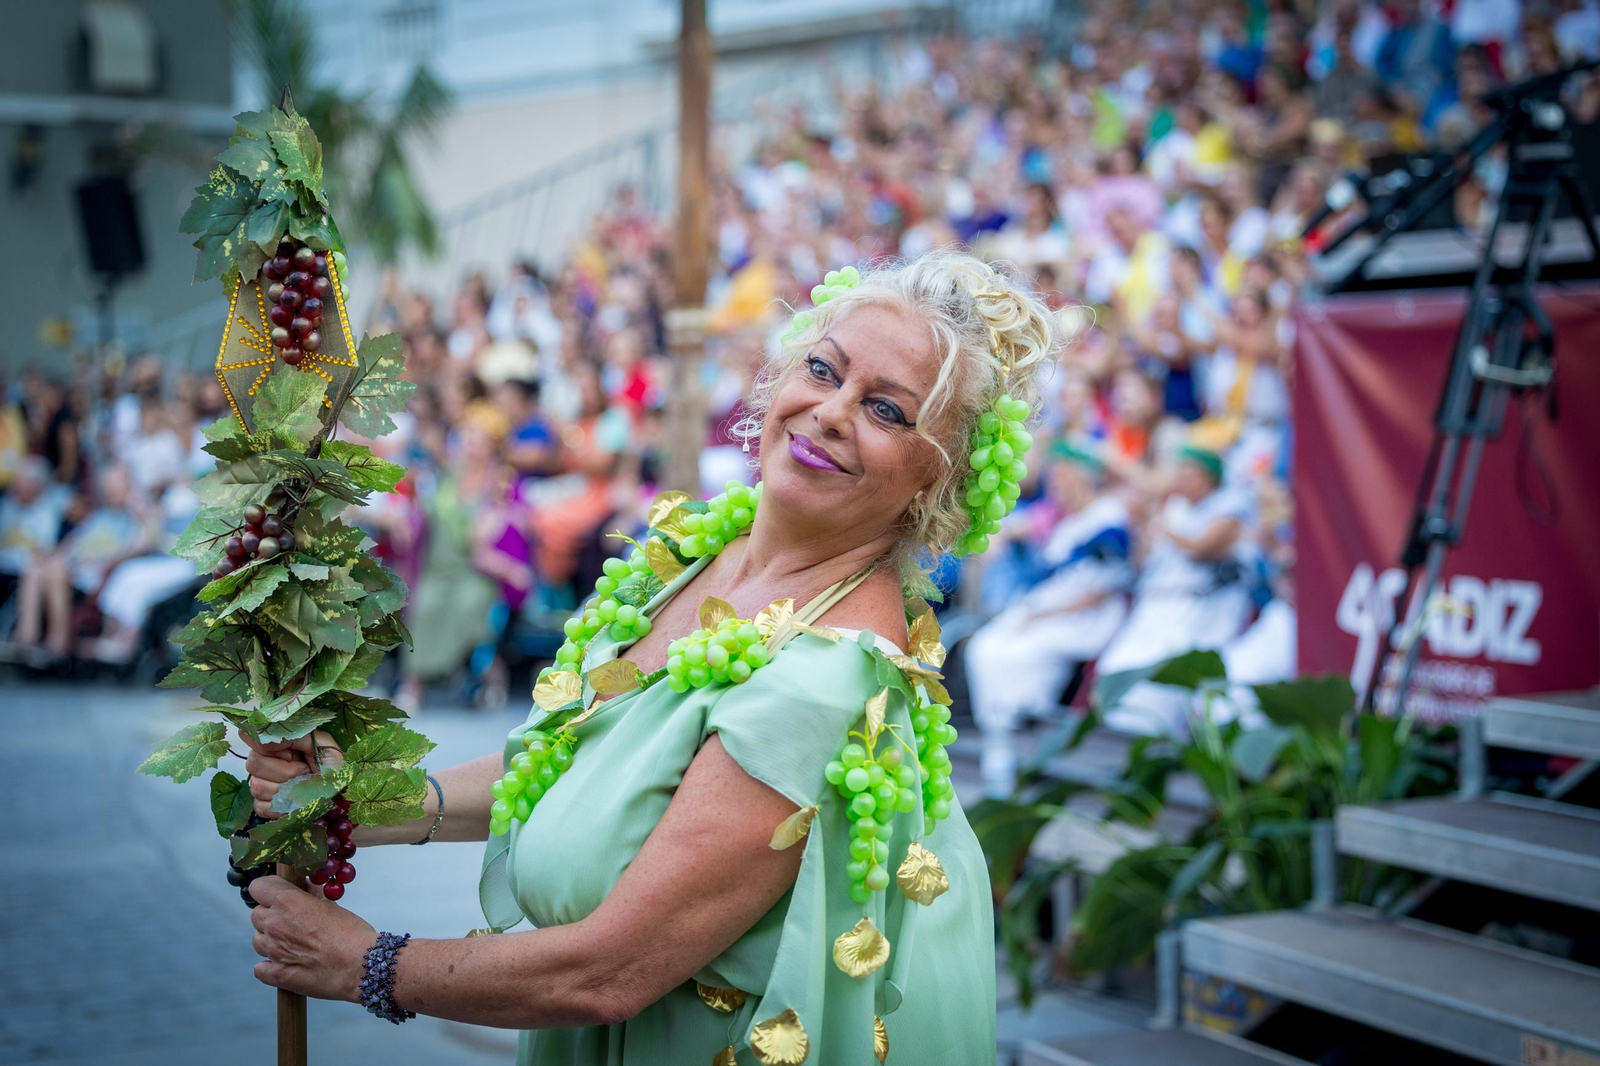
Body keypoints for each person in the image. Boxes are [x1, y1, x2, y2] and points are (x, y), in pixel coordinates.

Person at [237, 252, 1055, 1066]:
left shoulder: (824, 682)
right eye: (823, 369)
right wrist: (361, 803)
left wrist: (368, 963)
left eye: (885, 409)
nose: (832, 412)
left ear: (935, 484)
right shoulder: (695, 550)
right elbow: (572, 763)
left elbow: (609, 971)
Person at [966, 444, 1134, 795]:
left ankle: (1023, 738)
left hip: (1086, 617)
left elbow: (1101, 588)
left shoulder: (1108, 517)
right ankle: (1001, 736)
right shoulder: (1066, 519)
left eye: (1063, 477)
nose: (1056, 485)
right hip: (1046, 609)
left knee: (1016, 654)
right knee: (985, 645)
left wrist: (1043, 614)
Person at [1096, 446, 1256, 736]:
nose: (1179, 481)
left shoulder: (1231, 506)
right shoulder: (1176, 508)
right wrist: (1143, 527)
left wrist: (1160, 525)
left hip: (1205, 607)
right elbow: (1143, 562)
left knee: (1163, 668)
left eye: (1187, 474)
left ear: (1207, 478)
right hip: (1159, 604)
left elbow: (1201, 549)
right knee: (1119, 662)